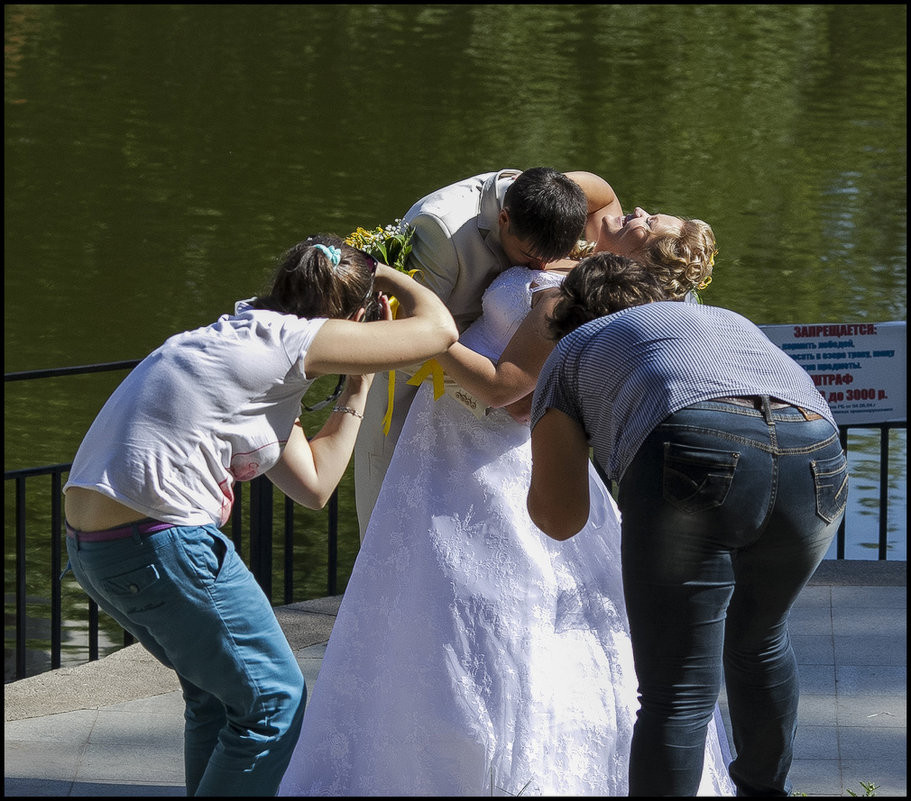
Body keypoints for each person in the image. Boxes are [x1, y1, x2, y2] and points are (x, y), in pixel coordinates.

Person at [279, 253, 735, 795]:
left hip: (510, 427)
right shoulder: (565, 265)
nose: (632, 218)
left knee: (529, 580)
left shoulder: (567, 294)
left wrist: (414, 329)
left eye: (644, 222)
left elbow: (507, 392)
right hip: (450, 426)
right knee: (432, 585)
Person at [62, 234, 458, 797]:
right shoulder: (291, 343)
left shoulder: (243, 340)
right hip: (159, 540)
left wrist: (357, 383)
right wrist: (388, 276)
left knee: (218, 700)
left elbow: (314, 483)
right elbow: (440, 332)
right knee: (275, 704)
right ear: (348, 318)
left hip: (98, 548)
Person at [527, 253, 849, 796]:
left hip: (694, 442)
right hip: (818, 451)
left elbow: (561, 519)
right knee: (761, 641)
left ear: (569, 314)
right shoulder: (724, 319)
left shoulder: (575, 349)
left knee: (677, 692)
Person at [352, 166, 622, 538]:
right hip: (414, 398)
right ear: (505, 218)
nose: (542, 268)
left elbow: (604, 197)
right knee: (398, 533)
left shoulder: (553, 199)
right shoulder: (440, 230)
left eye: (553, 256)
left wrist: (530, 383)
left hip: (505, 409)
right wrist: (504, 388)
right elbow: (402, 332)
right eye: (529, 254)